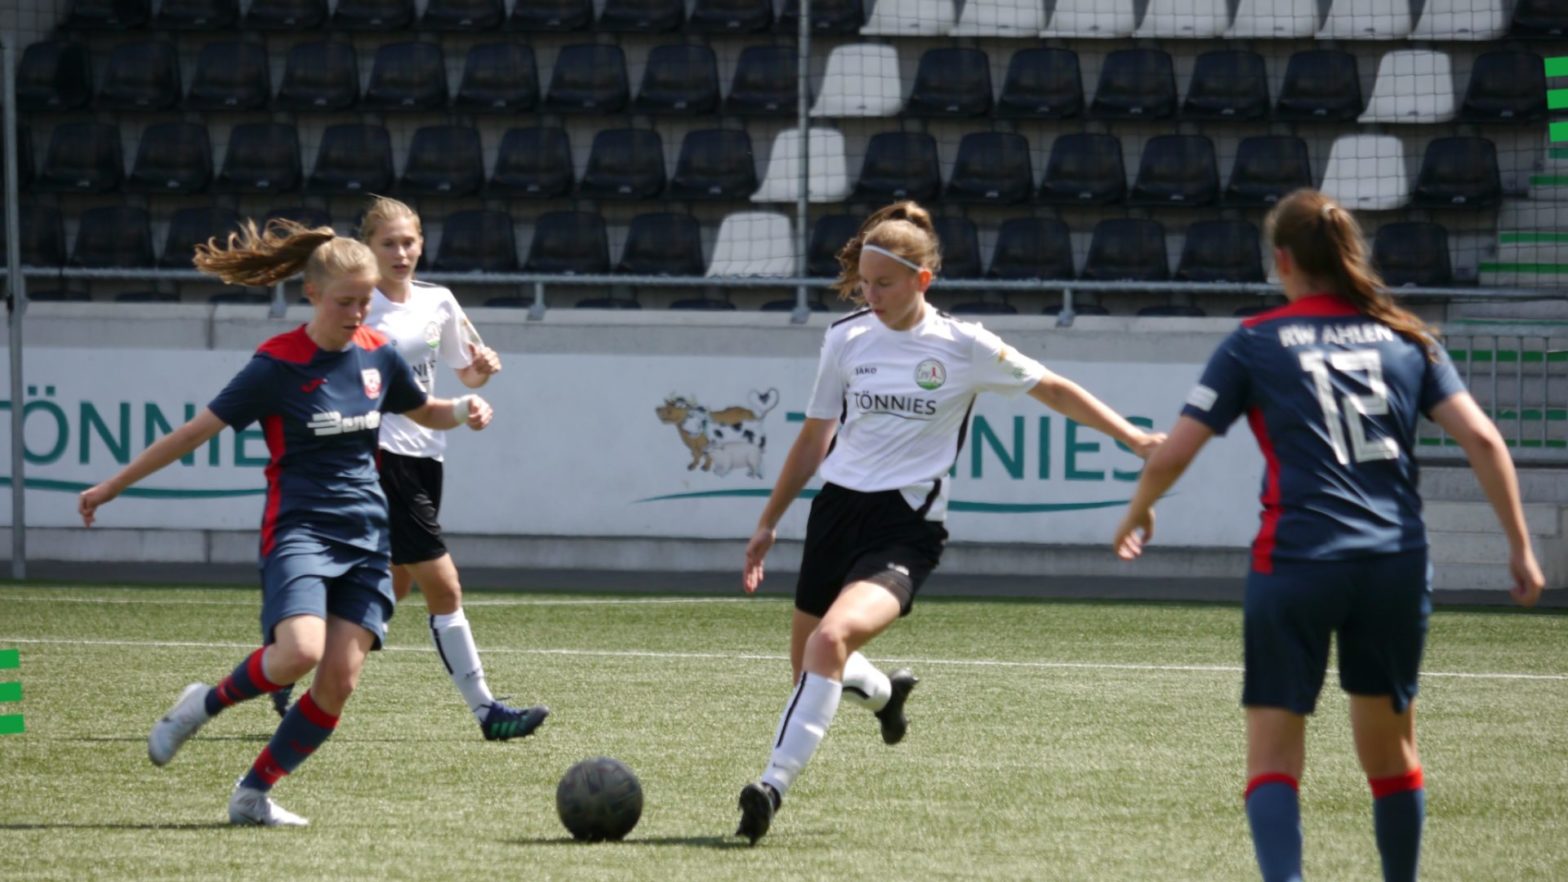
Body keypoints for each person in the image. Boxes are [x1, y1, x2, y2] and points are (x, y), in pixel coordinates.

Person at [1112, 189, 1545, 882]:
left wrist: (1137, 510)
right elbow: (1485, 441)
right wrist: (1520, 546)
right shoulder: (1408, 338)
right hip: (1392, 564)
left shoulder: (1255, 341)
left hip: (1297, 561)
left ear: (1282, 260)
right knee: (1389, 756)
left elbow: (1174, 452)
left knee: (1274, 758)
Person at [735, 200, 1165, 845]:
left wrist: (1132, 437)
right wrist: (770, 519)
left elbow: (1051, 388)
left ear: (921, 281)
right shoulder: (846, 337)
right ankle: (885, 696)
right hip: (835, 514)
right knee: (809, 671)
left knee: (829, 645)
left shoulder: (964, 346)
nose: (871, 296)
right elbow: (815, 436)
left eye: (884, 284)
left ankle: (769, 786)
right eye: (864, 284)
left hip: (904, 526)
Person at [78, 219, 497, 826]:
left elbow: (425, 409)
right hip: (300, 531)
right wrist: (112, 486)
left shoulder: (378, 355)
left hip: (368, 538)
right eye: (345, 302)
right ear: (312, 295)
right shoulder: (276, 365)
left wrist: (465, 408)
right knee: (297, 653)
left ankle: (252, 794)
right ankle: (201, 705)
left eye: (364, 301)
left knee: (338, 686)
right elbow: (194, 434)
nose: (358, 314)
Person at [269, 196, 548, 743]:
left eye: (408, 242)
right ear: (369, 249)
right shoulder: (357, 305)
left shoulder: (438, 301)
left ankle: (290, 668)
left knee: (385, 591)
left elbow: (464, 374)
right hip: (379, 457)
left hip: (427, 455)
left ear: (422, 244)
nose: (401, 253)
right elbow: (324, 365)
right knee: (444, 588)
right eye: (388, 243)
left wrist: (481, 376)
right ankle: (488, 710)